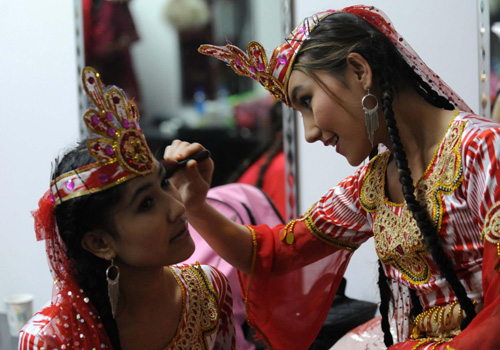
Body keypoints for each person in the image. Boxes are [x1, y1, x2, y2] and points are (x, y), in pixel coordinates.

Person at [163, 5, 500, 350]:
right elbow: (272, 253)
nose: (309, 133)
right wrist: (196, 205)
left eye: (307, 101)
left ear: (358, 71)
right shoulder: (374, 183)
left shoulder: (486, 151)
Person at [18, 66, 236, 350]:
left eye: (164, 184)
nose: (177, 209)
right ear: (100, 242)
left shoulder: (208, 291)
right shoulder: (50, 339)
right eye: (146, 204)